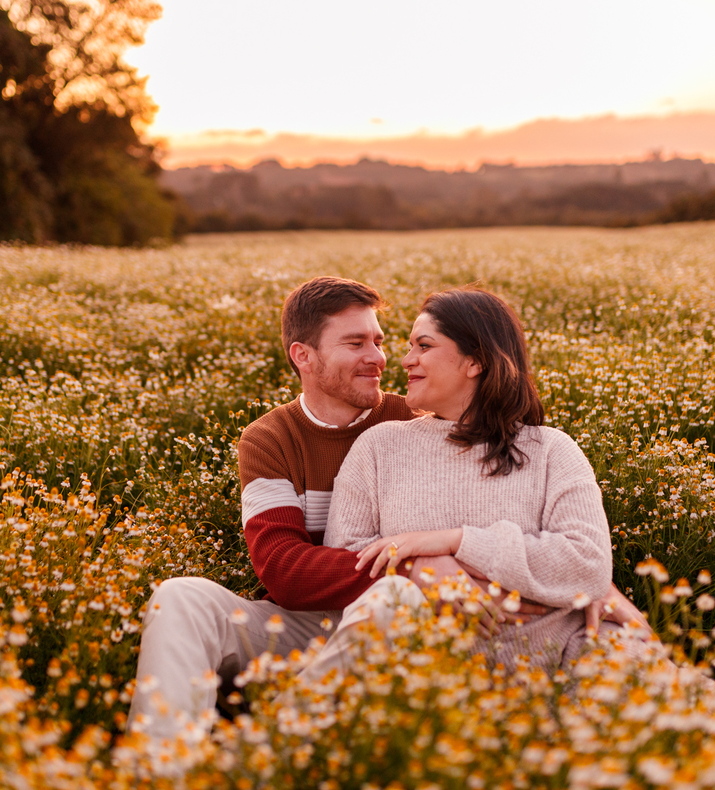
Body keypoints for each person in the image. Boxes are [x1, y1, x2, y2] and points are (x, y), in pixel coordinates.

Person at [127, 278, 646, 748]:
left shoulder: (418, 413)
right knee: (181, 596)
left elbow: (571, 544)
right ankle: (161, 767)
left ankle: (260, 758)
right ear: (303, 356)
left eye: (382, 341)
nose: (384, 358)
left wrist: (591, 583)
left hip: (399, 621)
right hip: (325, 615)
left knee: (395, 599)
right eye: (356, 344)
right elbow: (286, 570)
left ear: (474, 361)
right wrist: (418, 566)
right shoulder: (280, 440)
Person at [296, 287, 648, 684]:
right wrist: (428, 569)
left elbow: (587, 565)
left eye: (424, 346)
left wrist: (456, 542)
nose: (406, 359)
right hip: (423, 679)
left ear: (475, 361)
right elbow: (350, 563)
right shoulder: (379, 447)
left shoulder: (551, 450)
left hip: (554, 671)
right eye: (410, 347)